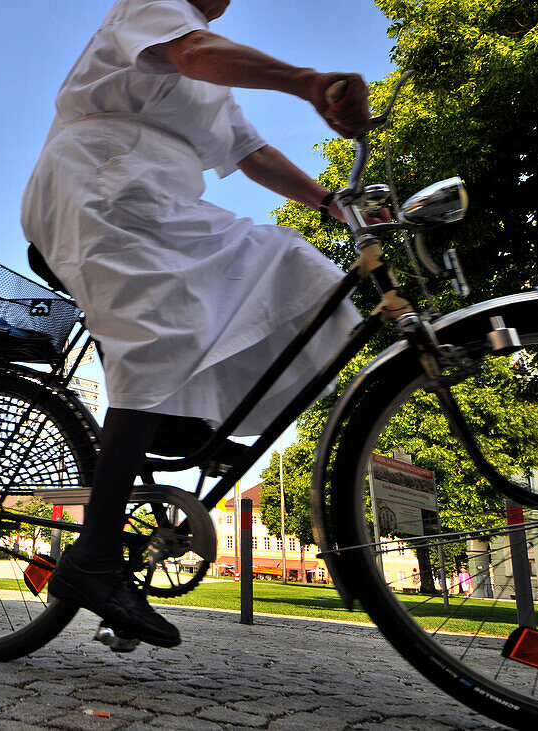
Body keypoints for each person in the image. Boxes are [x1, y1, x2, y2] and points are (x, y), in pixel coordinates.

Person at [21, 0, 383, 648]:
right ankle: (95, 556)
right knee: (157, 331)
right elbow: (189, 52)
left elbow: (250, 152)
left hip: (156, 205)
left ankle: (184, 424)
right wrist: (306, 82)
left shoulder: (206, 66)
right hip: (94, 190)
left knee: (286, 263)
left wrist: (332, 204)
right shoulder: (156, 8)